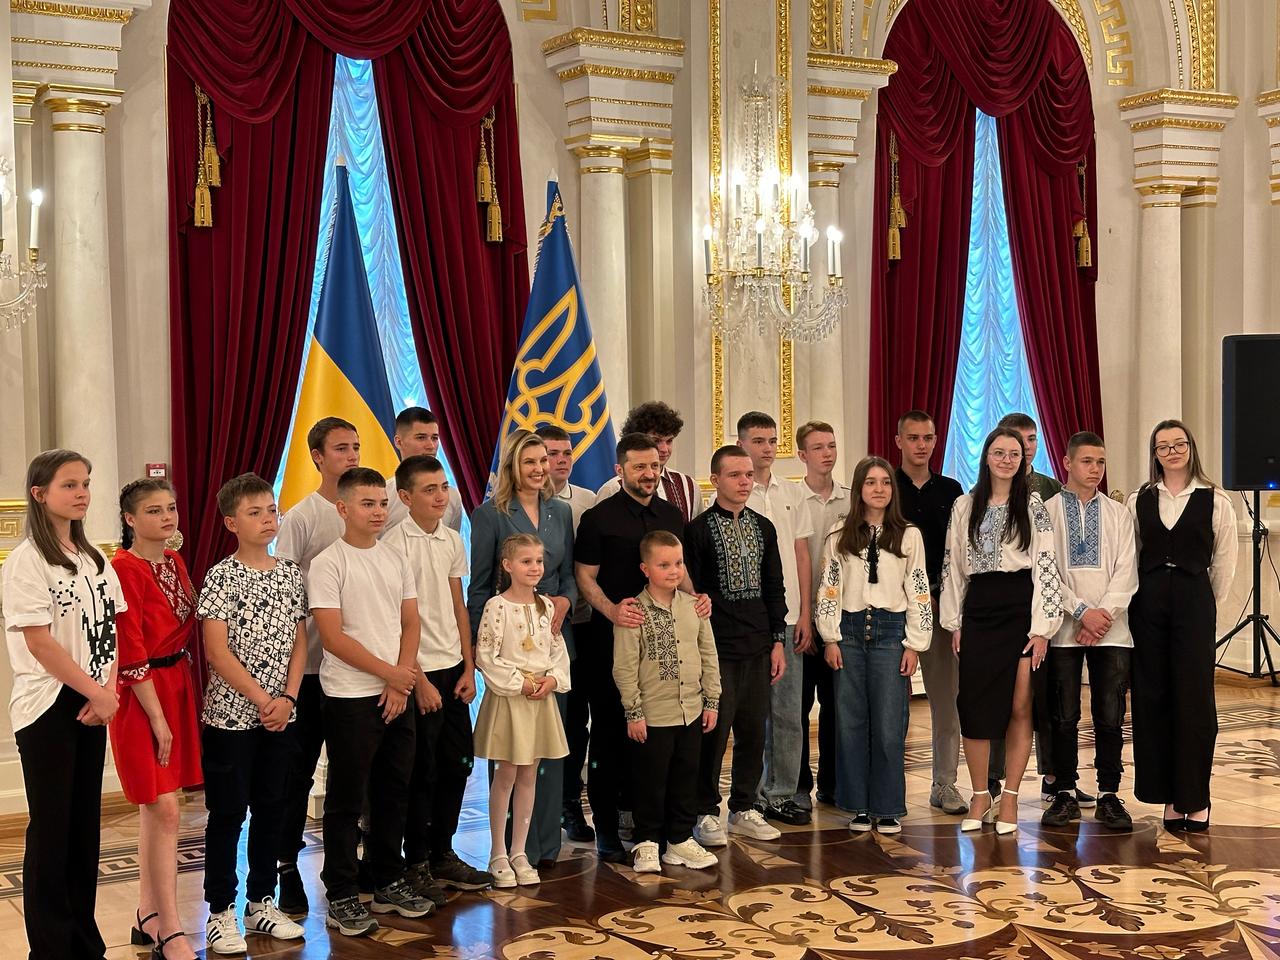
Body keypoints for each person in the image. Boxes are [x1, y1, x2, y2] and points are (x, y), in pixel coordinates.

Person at [1, 450, 124, 960]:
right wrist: (95, 691)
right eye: (70, 484)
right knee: (52, 830)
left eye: (86, 483)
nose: (82, 493)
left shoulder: (95, 558)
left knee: (83, 828)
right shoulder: (26, 561)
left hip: (95, 699)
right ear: (40, 494)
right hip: (48, 705)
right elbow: (39, 641)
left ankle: (84, 942)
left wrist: (108, 690)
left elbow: (111, 629)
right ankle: (50, 949)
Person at [308, 467, 433, 937]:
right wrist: (391, 674)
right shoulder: (329, 563)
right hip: (350, 696)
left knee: (392, 791)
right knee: (346, 798)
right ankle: (341, 892)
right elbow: (333, 637)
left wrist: (400, 681)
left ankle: (386, 879)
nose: (378, 511)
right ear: (343, 508)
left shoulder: (395, 557)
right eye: (367, 504)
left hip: (395, 692)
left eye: (382, 503)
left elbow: (411, 622)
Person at [197, 474, 308, 954]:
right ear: (231, 523)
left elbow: (300, 641)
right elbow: (216, 651)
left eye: (271, 510)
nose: (267, 519)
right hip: (231, 718)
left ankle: (261, 902)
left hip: (282, 714)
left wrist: (288, 699)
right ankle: (220, 911)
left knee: (272, 807)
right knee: (227, 814)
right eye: (255, 513)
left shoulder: (289, 573)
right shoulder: (222, 575)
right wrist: (263, 700)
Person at [574, 432, 694, 861]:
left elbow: (680, 570)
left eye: (654, 466)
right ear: (619, 469)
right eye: (639, 466)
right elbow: (584, 576)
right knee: (610, 736)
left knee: (655, 740)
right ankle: (606, 828)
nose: (649, 473)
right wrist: (612, 611)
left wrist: (696, 600)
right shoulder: (598, 518)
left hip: (663, 648)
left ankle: (650, 828)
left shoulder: (672, 514)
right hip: (609, 642)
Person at [941, 428, 1063, 837]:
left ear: (1024, 459)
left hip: (1020, 609)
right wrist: (955, 622)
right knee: (973, 705)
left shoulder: (1033, 506)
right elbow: (953, 565)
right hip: (979, 609)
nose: (1007, 460)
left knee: (1019, 706)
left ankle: (1009, 796)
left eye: (1014, 453)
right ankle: (980, 794)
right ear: (986, 457)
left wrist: (1042, 628)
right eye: (999, 452)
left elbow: (1046, 565)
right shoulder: (964, 505)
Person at [382, 455, 493, 898]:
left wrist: (468, 666)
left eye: (443, 487)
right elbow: (395, 621)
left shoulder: (450, 538)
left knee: (458, 763)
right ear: (405, 497)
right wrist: (419, 680)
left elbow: (458, 605)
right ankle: (416, 862)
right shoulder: (394, 544)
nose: (441, 497)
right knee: (420, 770)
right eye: (429, 490)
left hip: (452, 669)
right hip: (417, 672)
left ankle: (443, 851)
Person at [468, 430, 576, 866]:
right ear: (512, 465)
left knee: (546, 754)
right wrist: (478, 655)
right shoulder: (489, 515)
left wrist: (565, 601)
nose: (538, 468)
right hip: (508, 649)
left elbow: (567, 576)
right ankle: (508, 850)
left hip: (552, 640)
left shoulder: (560, 511)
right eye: (529, 461)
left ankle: (544, 846)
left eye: (543, 460)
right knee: (511, 758)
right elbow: (479, 586)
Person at [1127, 419, 1236, 832]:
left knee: (1194, 701)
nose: (1172, 452)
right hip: (1149, 604)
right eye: (1163, 446)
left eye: (1179, 444)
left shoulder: (1215, 499)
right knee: (1153, 698)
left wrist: (1202, 604)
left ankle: (1196, 797)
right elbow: (1132, 555)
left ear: (1190, 448)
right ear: (1154, 454)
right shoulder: (1140, 499)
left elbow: (1224, 563)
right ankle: (1169, 797)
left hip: (1193, 603)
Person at [111, 479, 204, 960]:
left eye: (171, 508)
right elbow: (130, 647)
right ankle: (170, 927)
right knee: (164, 807)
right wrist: (158, 718)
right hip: (141, 695)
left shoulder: (174, 560)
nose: (167, 517)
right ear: (130, 519)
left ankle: (148, 914)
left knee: (163, 808)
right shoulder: (121, 568)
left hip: (177, 685)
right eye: (153, 510)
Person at [816, 457, 931, 834]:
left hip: (891, 634)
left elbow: (918, 588)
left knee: (889, 723)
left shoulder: (908, 535)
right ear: (859, 489)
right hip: (848, 634)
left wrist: (914, 643)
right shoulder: (839, 534)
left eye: (884, 482)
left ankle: (887, 805)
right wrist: (830, 637)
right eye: (870, 482)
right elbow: (829, 588)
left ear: (892, 490)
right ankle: (858, 806)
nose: (878, 489)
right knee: (850, 722)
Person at [274, 416, 360, 914]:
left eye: (355, 447)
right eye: (341, 448)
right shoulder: (302, 517)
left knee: (354, 772)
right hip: (308, 668)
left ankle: (351, 866)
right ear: (318, 457)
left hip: (356, 670)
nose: (351, 456)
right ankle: (287, 867)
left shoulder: (366, 512)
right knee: (298, 772)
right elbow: (286, 594)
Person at [685, 445, 787, 846]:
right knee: (713, 733)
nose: (745, 482)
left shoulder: (764, 528)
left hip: (758, 646)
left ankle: (744, 807)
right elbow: (692, 594)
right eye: (735, 475)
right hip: (717, 649)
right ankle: (705, 811)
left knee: (753, 731)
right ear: (715, 480)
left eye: (748, 475)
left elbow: (774, 587)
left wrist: (777, 641)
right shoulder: (696, 531)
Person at [1042, 433, 1138, 832]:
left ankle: (1109, 794)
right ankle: (1064, 792)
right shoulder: (1046, 512)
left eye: (1100, 461)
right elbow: (1045, 571)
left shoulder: (1118, 513)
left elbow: (1127, 570)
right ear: (1067, 463)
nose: (1095, 469)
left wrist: (1102, 616)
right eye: (1086, 461)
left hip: (1112, 630)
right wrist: (1082, 612)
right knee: (1063, 715)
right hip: (1064, 628)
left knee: (1110, 715)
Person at [614, 531, 721, 873]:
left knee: (686, 776)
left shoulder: (694, 607)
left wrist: (712, 701)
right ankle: (647, 841)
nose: (673, 571)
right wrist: (633, 711)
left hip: (691, 711)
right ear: (645, 569)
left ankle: (679, 839)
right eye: (664, 565)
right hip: (653, 715)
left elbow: (709, 655)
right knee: (651, 779)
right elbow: (625, 666)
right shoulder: (633, 612)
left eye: (678, 563)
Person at [473, 534, 572, 888]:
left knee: (530, 775)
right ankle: (497, 852)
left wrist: (552, 680)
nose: (535, 568)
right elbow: (486, 655)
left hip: (540, 699)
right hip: (511, 699)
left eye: (539, 561)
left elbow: (557, 650)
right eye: (526, 561)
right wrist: (521, 683)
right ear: (508, 565)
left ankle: (519, 851)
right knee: (506, 775)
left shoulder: (546, 606)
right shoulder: (497, 607)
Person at [737, 411, 814, 826]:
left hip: (788, 614)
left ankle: (781, 793)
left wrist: (805, 612)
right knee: (749, 714)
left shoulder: (792, 492)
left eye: (771, 441)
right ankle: (746, 798)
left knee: (787, 711)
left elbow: (801, 553)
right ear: (741, 444)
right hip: (748, 619)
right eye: (758, 441)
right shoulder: (735, 492)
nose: (767, 448)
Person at [893, 411, 968, 814]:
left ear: (936, 441)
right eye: (913, 437)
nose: (921, 445)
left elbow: (958, 551)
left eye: (928, 437)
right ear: (899, 441)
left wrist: (942, 598)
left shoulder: (952, 490)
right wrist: (915, 596)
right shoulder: (886, 486)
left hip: (941, 609)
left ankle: (945, 783)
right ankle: (886, 788)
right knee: (890, 705)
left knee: (946, 701)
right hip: (894, 610)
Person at [534, 424, 599, 844]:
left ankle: (570, 802)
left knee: (576, 722)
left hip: (582, 625)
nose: (559, 461)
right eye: (550, 454)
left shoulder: (586, 501)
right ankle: (536, 809)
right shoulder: (518, 504)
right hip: (536, 631)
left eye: (566, 452)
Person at [995, 411, 1064, 801]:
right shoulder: (987, 489)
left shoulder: (1051, 488)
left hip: (1045, 604)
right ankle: (994, 778)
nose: (1027, 446)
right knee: (1002, 698)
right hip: (1003, 608)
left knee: (1046, 696)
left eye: (1032, 439)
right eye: (1019, 440)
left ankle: (1053, 775)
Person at [795, 420, 847, 809]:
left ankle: (832, 783)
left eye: (831, 446)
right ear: (802, 455)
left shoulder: (851, 500)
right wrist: (804, 615)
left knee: (835, 706)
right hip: (800, 618)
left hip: (839, 622)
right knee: (796, 708)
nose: (827, 453)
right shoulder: (792, 500)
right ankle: (798, 785)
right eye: (818, 447)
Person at [596, 401, 703, 521]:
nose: (664, 449)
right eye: (656, 441)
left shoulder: (688, 485)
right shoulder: (613, 488)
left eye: (669, 441)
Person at [384, 407, 465, 534]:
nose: (431, 446)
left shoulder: (452, 496)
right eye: (421, 438)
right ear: (399, 442)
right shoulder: (384, 496)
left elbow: (450, 540)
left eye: (434, 438)